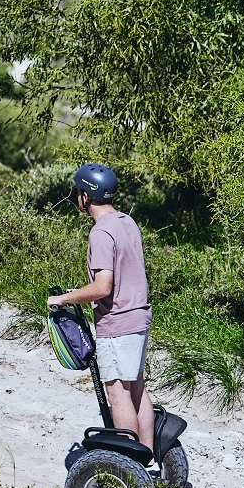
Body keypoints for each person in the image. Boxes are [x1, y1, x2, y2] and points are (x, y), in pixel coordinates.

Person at [47, 163, 154, 449]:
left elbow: (104, 286)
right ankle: (151, 459)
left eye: (77, 192)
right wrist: (81, 293)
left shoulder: (100, 232)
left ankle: (131, 461)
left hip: (117, 322)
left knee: (117, 391)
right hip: (139, 316)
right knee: (136, 387)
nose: (76, 197)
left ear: (86, 195)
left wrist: (63, 299)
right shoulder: (126, 221)